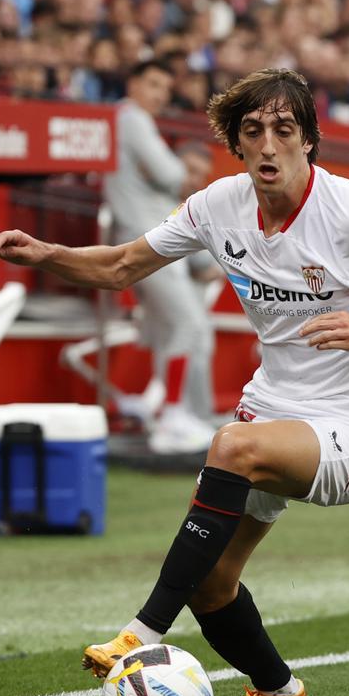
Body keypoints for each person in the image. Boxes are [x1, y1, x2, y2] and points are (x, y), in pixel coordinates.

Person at [0, 67, 349, 696]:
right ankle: (277, 693)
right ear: (237, 145)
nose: (269, 145)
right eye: (254, 132)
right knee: (212, 581)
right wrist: (46, 252)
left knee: (232, 445)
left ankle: (140, 633)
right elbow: (121, 266)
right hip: (273, 413)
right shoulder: (215, 207)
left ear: (309, 141)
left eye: (284, 130)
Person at [104, 60, 218, 453]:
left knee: (171, 331)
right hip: (149, 243)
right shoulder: (131, 117)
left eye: (164, 89)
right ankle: (174, 416)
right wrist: (175, 172)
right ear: (132, 81)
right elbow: (170, 173)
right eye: (152, 83)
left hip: (149, 240)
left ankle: (175, 415)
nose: (158, 95)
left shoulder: (129, 120)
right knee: (189, 326)